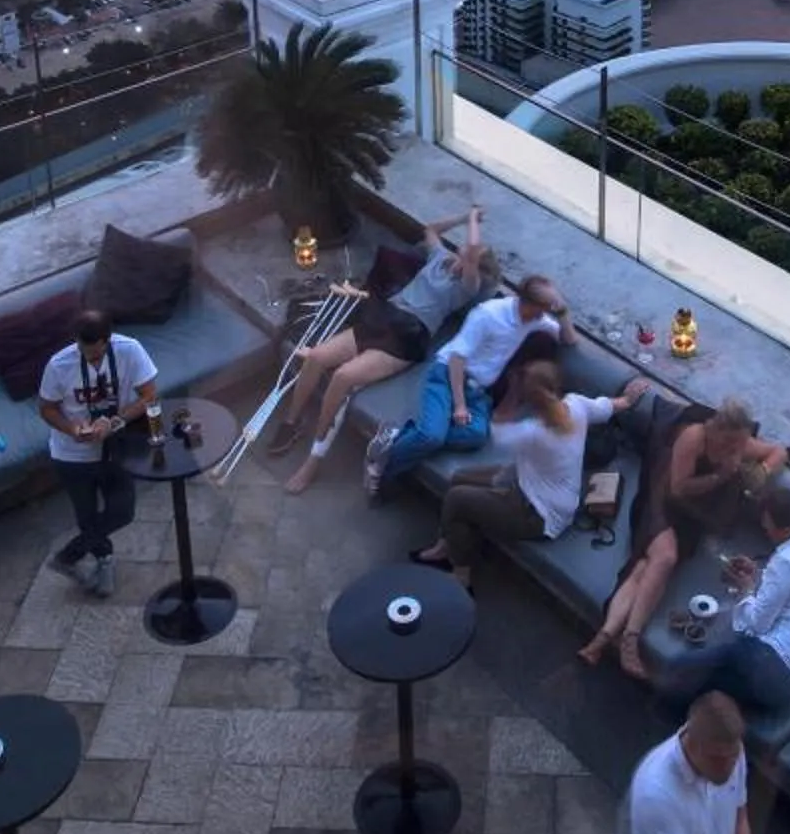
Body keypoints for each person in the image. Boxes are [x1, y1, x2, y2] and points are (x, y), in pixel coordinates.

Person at [267, 205, 498, 495]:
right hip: (382, 316)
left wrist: (474, 219)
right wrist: (462, 217)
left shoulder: (468, 286)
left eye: (471, 252)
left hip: (408, 336)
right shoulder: (440, 257)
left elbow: (474, 248)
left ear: (475, 261)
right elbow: (430, 230)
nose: (466, 248)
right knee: (315, 358)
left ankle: (313, 460)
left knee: (343, 378)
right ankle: (292, 423)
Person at [583, 396, 790, 678]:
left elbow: (780, 452)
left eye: (741, 443)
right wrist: (721, 476)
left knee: (645, 567)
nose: (737, 449)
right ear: (718, 432)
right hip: (663, 505)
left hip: (694, 519)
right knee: (665, 556)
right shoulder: (693, 438)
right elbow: (678, 489)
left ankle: (605, 637)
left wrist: (762, 471)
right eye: (732, 443)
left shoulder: (739, 445)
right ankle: (630, 641)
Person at [407, 362, 650, 587]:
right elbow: (609, 406)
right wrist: (629, 398)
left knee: (457, 498)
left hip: (539, 514)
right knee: (460, 478)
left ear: (530, 399)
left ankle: (461, 573)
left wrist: (513, 391)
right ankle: (448, 543)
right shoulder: (577, 405)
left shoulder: (532, 433)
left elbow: (497, 430)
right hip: (528, 483)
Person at [365, 272, 564, 497]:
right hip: (447, 375)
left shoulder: (536, 320)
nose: (549, 311)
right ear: (527, 303)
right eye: (546, 307)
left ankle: (396, 436)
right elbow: (457, 358)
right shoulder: (488, 314)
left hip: (478, 391)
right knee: (433, 437)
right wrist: (459, 405)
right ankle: (381, 472)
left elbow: (565, 336)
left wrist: (563, 311)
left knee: (476, 435)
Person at [660, 481, 790, 722]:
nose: (764, 526)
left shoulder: (786, 562)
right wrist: (759, 573)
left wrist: (745, 589)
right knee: (705, 682)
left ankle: (665, 706)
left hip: (771, 667)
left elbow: (754, 625)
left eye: (769, 524)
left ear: (788, 530)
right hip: (788, 681)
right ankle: (678, 716)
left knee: (688, 665)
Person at [36, 309, 157, 598]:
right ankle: (104, 560)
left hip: (116, 447)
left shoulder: (130, 350)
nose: (89, 359)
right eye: (83, 352)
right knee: (87, 516)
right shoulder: (59, 365)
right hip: (72, 456)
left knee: (123, 511)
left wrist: (116, 421)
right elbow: (46, 408)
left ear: (107, 340)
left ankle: (67, 556)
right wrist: (72, 429)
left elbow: (150, 395)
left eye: (95, 355)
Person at [622, 692, 754, 834]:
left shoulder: (731, 751)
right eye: (717, 759)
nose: (729, 767)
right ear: (692, 744)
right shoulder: (656, 793)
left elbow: (740, 823)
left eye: (734, 756)